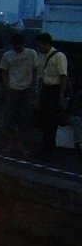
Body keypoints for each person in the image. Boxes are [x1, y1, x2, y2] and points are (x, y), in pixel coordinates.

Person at [0, 33, 37, 156]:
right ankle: (11, 143)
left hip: (26, 89)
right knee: (10, 118)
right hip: (13, 88)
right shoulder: (7, 55)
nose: (17, 49)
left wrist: (32, 85)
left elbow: (35, 70)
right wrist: (7, 86)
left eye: (19, 46)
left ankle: (21, 144)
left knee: (24, 119)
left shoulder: (31, 53)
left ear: (23, 44)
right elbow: (3, 72)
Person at [35, 32, 69, 160]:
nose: (39, 48)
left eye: (40, 45)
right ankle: (45, 148)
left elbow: (63, 76)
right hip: (46, 89)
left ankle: (49, 150)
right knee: (44, 121)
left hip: (54, 90)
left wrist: (61, 95)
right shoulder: (43, 56)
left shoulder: (59, 56)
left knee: (51, 122)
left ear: (47, 43)